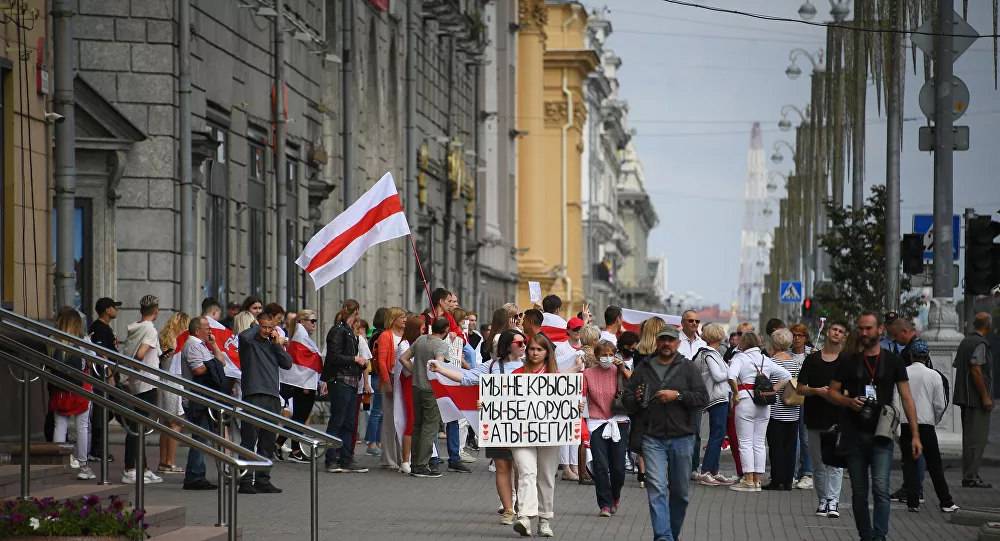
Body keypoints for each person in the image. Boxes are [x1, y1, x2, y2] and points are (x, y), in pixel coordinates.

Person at [827, 311, 923, 541]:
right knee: (860, 493)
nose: (864, 333)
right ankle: (866, 536)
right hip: (854, 434)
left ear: (880, 330)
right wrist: (848, 402)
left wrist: (916, 435)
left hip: (882, 435)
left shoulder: (893, 361)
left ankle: (879, 536)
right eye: (860, 328)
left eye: (869, 328)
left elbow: (907, 398)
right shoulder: (849, 361)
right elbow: (831, 392)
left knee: (881, 489)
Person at [623, 324, 708, 541]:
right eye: (663, 340)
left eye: (671, 340)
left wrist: (678, 395)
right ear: (657, 342)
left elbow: (702, 398)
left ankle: (672, 533)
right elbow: (627, 399)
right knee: (657, 488)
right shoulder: (644, 367)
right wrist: (638, 398)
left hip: (683, 437)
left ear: (678, 343)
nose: (667, 344)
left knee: (680, 492)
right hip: (652, 437)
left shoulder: (688, 368)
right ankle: (663, 537)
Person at [431, 329, 526, 524]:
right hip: (498, 423)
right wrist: (441, 370)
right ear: (508, 346)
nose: (524, 346)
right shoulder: (492, 366)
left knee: (521, 467)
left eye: (525, 342)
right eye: (520, 343)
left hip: (523, 424)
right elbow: (466, 377)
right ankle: (508, 509)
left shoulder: (531, 366)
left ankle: (521, 505)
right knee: (502, 467)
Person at [894, 341, 959, 513]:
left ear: (911, 355)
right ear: (927, 356)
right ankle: (945, 501)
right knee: (934, 464)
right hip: (926, 425)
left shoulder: (903, 372)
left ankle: (913, 501)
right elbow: (940, 404)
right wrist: (934, 420)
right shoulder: (934, 375)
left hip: (906, 424)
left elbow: (896, 399)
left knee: (909, 463)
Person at [509, 332, 563, 538]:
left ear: (547, 352)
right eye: (531, 348)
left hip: (550, 433)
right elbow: (503, 403)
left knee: (546, 476)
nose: (534, 352)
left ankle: (544, 519)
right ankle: (524, 517)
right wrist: (486, 405)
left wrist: (575, 405)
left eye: (539, 349)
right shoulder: (516, 376)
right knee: (527, 472)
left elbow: (566, 406)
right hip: (520, 432)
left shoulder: (557, 378)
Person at [727, 331, 792, 492]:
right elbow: (787, 375)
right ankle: (757, 480)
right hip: (764, 403)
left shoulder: (740, 358)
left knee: (745, 442)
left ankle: (748, 480)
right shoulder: (766, 359)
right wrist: (773, 390)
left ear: (743, 343)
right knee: (759, 443)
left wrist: (735, 394)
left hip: (745, 400)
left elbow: (731, 376)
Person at [796, 320, 848, 518]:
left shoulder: (846, 361)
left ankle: (833, 502)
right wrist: (816, 391)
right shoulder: (812, 359)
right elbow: (800, 387)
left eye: (840, 331)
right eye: (834, 329)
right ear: (827, 332)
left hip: (838, 417)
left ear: (844, 337)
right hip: (815, 415)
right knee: (818, 463)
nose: (836, 333)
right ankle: (823, 500)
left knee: (835, 462)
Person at [238, 311, 294, 493]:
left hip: (272, 396)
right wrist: (254, 327)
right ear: (256, 325)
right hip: (253, 394)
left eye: (270, 327)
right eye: (264, 327)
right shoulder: (249, 343)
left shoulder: (273, 345)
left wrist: (277, 344)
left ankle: (263, 479)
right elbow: (243, 336)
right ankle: (245, 481)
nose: (267, 330)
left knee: (267, 441)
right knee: (249, 440)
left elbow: (287, 363)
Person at [181, 316, 231, 491]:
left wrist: (214, 345)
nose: (210, 331)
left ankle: (197, 473)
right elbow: (198, 369)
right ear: (197, 330)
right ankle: (194, 476)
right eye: (207, 328)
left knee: (203, 437)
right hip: (196, 398)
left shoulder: (203, 345)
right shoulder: (193, 345)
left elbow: (222, 362)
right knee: (200, 437)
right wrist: (213, 365)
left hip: (205, 398)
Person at [320, 300, 370, 474]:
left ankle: (346, 459)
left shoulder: (349, 332)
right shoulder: (338, 330)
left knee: (348, 422)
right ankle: (331, 459)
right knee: (337, 420)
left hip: (351, 381)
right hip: (339, 380)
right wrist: (355, 359)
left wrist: (360, 364)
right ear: (356, 312)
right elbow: (333, 357)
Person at [399, 316, 452, 478]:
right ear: (447, 330)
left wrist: (416, 372)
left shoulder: (421, 339)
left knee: (418, 426)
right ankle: (422, 465)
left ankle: (415, 463)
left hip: (416, 387)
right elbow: (438, 366)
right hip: (431, 390)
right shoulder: (441, 345)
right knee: (429, 427)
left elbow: (403, 358)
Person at [584, 339, 632, 517]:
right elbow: (582, 395)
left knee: (618, 466)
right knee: (601, 465)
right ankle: (604, 504)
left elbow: (635, 385)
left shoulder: (618, 371)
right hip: (597, 423)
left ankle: (615, 496)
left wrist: (623, 368)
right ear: (596, 356)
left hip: (619, 421)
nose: (607, 358)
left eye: (611, 355)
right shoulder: (587, 373)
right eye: (604, 355)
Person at [120, 294, 165, 486]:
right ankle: (130, 469)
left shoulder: (135, 327)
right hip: (147, 383)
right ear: (156, 311)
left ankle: (143, 468)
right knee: (139, 427)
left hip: (138, 383)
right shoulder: (150, 330)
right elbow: (140, 354)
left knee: (140, 427)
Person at [50, 309, 96, 481]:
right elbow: (92, 363)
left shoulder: (53, 340)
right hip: (81, 388)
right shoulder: (83, 341)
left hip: (59, 389)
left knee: (59, 426)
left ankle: (58, 464)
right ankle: (84, 466)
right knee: (82, 427)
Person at [278, 309, 327, 463]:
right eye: (312, 321)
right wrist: (306, 383)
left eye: (315, 321)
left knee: (299, 418)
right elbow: (302, 363)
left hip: (305, 383)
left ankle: (294, 449)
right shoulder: (300, 337)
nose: (314, 324)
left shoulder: (301, 336)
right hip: (304, 384)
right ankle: (280, 444)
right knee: (299, 418)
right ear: (302, 322)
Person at [953, 312, 994, 488]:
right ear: (988, 326)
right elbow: (976, 370)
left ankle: (969, 475)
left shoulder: (965, 341)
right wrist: (985, 396)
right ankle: (971, 477)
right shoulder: (980, 343)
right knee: (977, 440)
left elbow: (959, 366)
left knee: (969, 439)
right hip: (976, 399)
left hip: (965, 397)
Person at [692, 323, 734, 486]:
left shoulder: (712, 354)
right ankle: (707, 470)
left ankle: (714, 470)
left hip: (720, 397)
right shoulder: (709, 354)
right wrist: (733, 370)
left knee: (719, 433)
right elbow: (717, 376)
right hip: (716, 397)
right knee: (717, 434)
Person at [762, 329, 801, 490]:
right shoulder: (795, 362)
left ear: (774, 343)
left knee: (776, 446)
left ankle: (777, 479)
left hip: (776, 409)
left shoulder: (773, 362)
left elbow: (768, 384)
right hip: (793, 409)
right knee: (790, 446)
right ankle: (788, 480)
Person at [156, 312, 190, 475]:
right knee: (176, 424)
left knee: (165, 425)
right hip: (176, 382)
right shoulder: (180, 341)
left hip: (163, 383)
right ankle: (169, 462)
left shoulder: (165, 339)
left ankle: (163, 462)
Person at [88, 297, 121, 464]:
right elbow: (101, 353)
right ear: (107, 310)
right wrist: (109, 376)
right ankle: (96, 450)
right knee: (102, 412)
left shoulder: (104, 328)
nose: (116, 310)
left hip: (108, 375)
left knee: (106, 412)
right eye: (114, 307)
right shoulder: (100, 328)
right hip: (103, 376)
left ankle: (96, 448)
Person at [375, 307, 407, 469]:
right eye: (402, 317)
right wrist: (387, 382)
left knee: (401, 419)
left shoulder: (405, 336)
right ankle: (388, 458)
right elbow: (381, 361)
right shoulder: (385, 336)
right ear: (393, 319)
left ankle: (402, 457)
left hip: (403, 380)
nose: (404, 320)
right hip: (390, 378)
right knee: (389, 420)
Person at [788, 323, 815, 490]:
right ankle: (791, 473)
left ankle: (807, 473)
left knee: (805, 438)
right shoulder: (786, 354)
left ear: (806, 338)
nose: (797, 338)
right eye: (794, 335)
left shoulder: (812, 355)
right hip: (790, 398)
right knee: (793, 437)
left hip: (806, 399)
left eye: (800, 335)